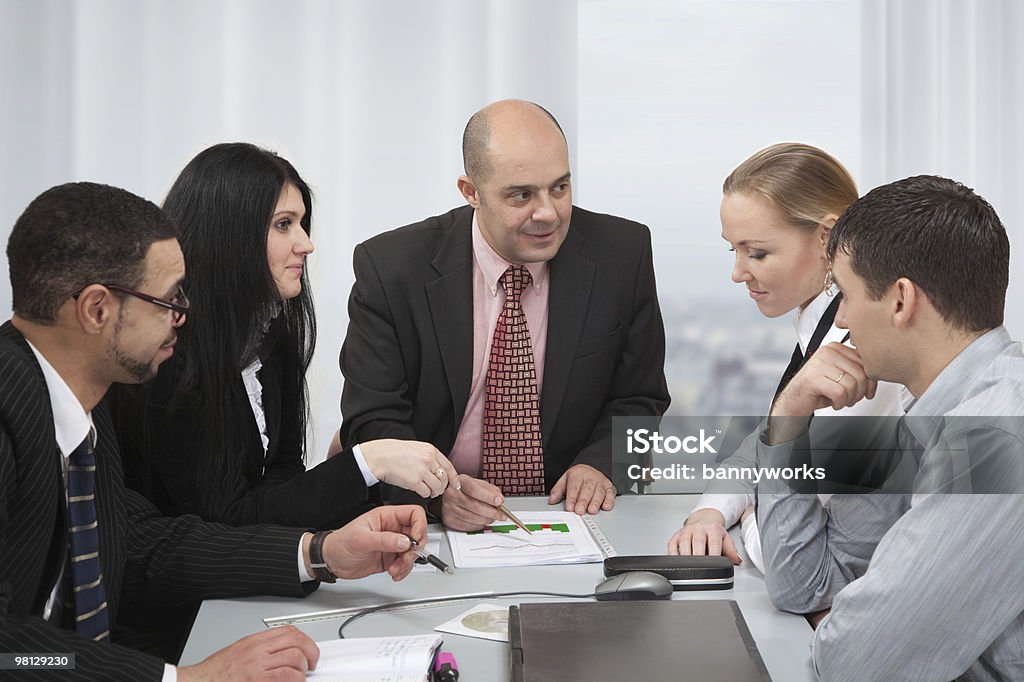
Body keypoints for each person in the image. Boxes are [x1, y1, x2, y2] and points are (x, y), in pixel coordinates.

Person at [0, 181, 427, 681]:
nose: (183, 316)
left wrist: (320, 553)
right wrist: (181, 679)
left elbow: (138, 543)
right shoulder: (13, 409)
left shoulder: (77, 405)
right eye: (167, 300)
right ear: (97, 310)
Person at [338, 99, 670, 531]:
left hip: (572, 516)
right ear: (470, 191)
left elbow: (640, 397)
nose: (548, 213)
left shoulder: (622, 253)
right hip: (434, 524)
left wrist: (601, 465)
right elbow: (372, 419)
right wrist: (438, 496)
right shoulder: (391, 268)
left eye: (560, 187)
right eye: (521, 194)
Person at [109, 143, 457, 531]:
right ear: (228, 234)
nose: (306, 244)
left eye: (302, 223)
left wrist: (355, 475)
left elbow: (280, 477)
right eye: (283, 224)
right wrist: (365, 465)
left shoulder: (270, 334)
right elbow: (224, 518)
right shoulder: (167, 353)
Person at [758, 175, 1023, 680]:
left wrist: (849, 624)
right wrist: (788, 416)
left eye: (845, 292)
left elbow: (859, 664)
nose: (841, 318)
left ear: (901, 300)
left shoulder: (995, 437)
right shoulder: (928, 417)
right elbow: (804, 585)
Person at [666, 143, 906, 572]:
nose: (737, 272)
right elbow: (762, 445)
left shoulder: (858, 353)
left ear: (826, 238)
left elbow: (795, 549)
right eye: (733, 250)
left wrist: (751, 515)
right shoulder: (818, 325)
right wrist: (711, 512)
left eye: (756, 252)